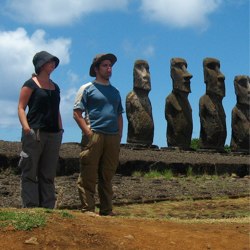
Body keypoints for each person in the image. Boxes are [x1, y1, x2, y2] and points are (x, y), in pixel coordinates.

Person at [73, 53, 123, 216]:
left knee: (107, 173)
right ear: (96, 68)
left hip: (112, 136)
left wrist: (119, 135)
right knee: (88, 172)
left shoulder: (115, 91)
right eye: (105, 65)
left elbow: (119, 114)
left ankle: (107, 209)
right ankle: (88, 208)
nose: (109, 69)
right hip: (94, 134)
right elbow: (77, 113)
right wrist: (88, 132)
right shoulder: (86, 88)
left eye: (110, 66)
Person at [18, 51, 63, 209]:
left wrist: (61, 129)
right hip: (34, 132)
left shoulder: (55, 87)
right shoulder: (30, 84)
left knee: (48, 172)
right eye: (49, 62)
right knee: (30, 171)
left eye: (53, 62)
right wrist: (26, 128)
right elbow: (21, 107)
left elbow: (56, 109)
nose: (53, 65)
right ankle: (31, 206)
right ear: (41, 64)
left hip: (53, 133)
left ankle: (48, 208)